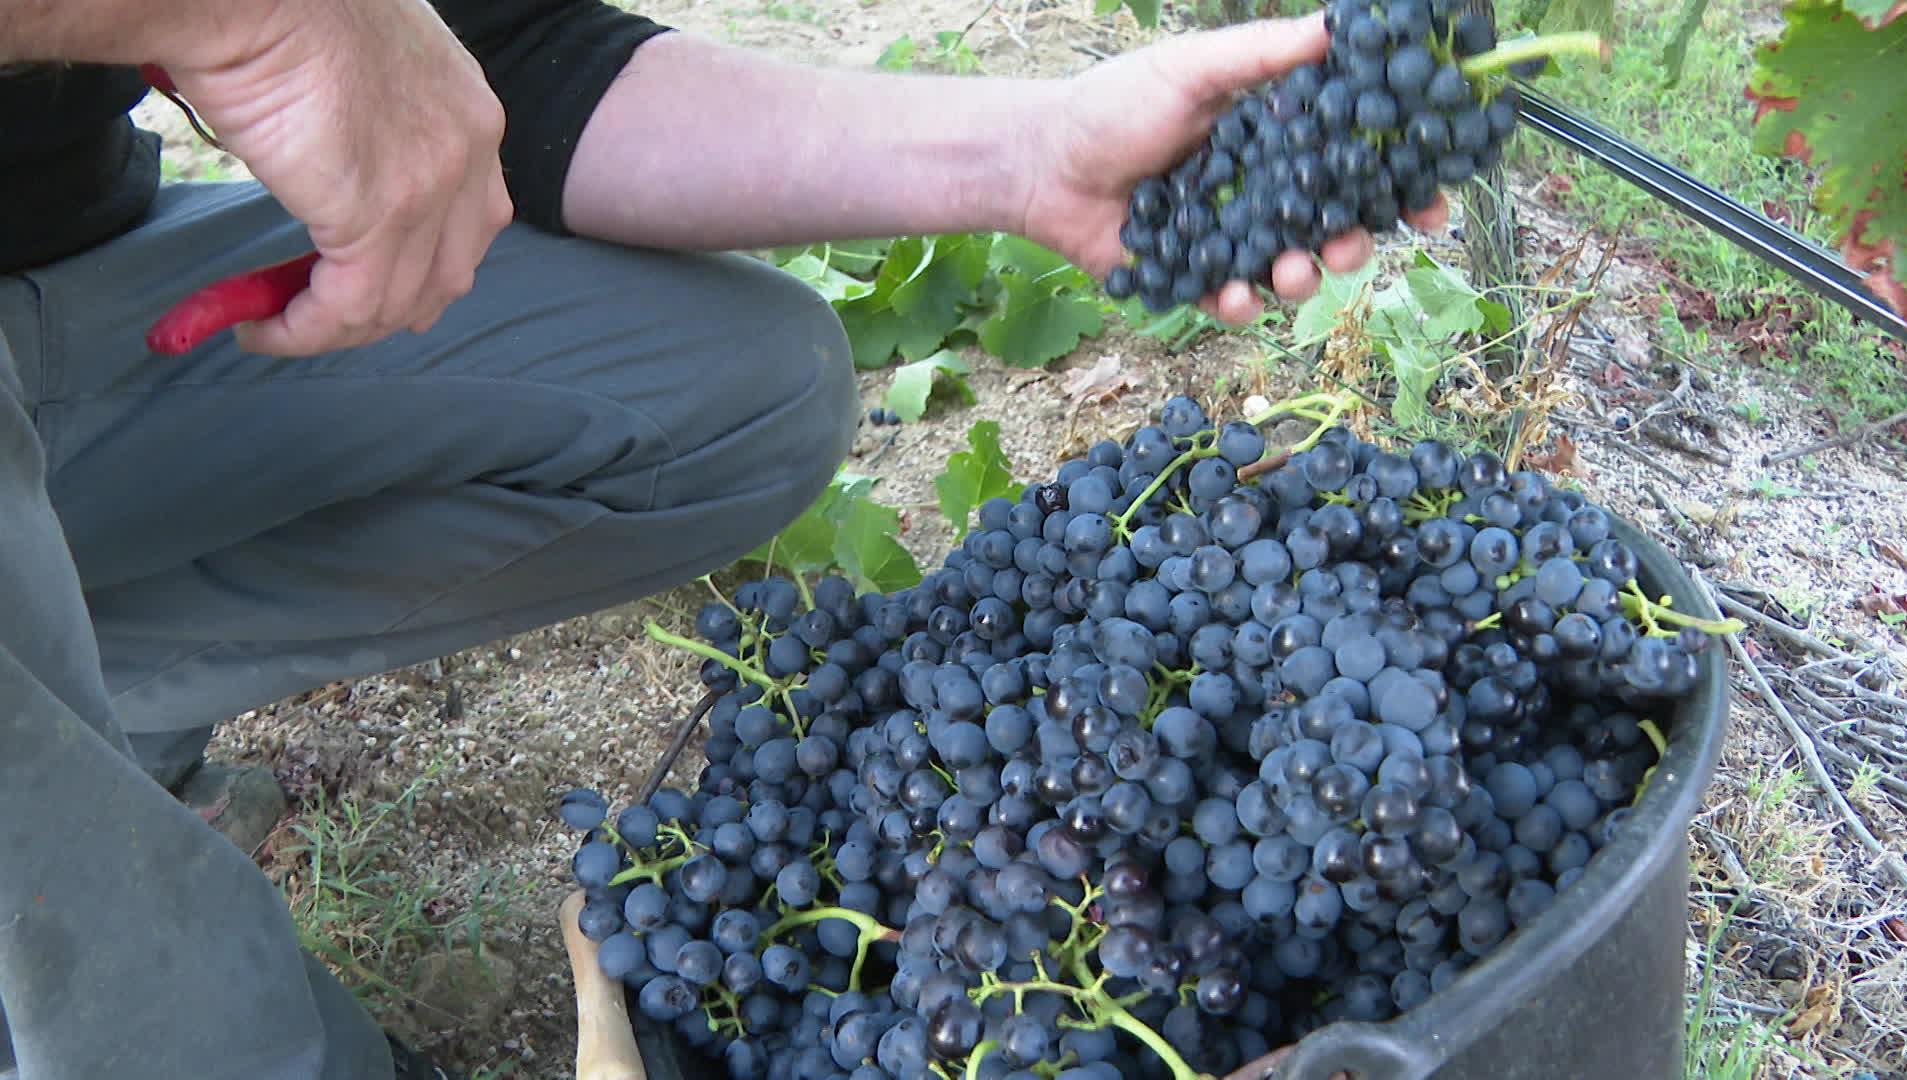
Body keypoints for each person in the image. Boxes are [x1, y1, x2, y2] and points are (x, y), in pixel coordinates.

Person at [0, 1, 1446, 1077]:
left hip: (56, 280)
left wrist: (1031, 154)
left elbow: (522, 56)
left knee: (733, 389)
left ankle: (88, 691)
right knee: (74, 867)